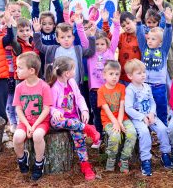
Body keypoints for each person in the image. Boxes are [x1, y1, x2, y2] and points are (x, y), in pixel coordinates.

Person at [47, 56, 100, 180]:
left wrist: (85, 110)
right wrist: (54, 112)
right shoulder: (54, 87)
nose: (75, 71)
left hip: (74, 119)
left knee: (78, 137)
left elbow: (80, 97)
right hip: (59, 120)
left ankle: (85, 164)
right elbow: (49, 105)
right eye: (74, 69)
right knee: (70, 123)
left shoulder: (71, 82)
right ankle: (88, 128)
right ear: (67, 73)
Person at [77, 10, 121, 148]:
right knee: (96, 114)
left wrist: (116, 23)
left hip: (109, 90)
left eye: (102, 44)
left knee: (109, 113)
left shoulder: (110, 51)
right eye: (96, 44)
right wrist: (79, 25)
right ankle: (99, 137)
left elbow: (116, 38)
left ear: (107, 44)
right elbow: (84, 39)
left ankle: (110, 135)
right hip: (95, 90)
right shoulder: (90, 53)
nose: (99, 46)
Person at [124, 59, 172, 176]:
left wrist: (151, 113)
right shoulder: (130, 90)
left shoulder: (147, 87)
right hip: (138, 118)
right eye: (139, 73)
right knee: (145, 133)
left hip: (150, 116)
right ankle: (145, 160)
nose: (143, 75)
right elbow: (128, 108)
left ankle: (165, 154)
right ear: (130, 76)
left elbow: (152, 102)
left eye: (144, 72)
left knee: (163, 129)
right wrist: (142, 117)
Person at [12, 52, 51, 181]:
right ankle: (22, 158)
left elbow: (46, 109)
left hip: (41, 122)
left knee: (37, 135)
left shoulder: (44, 87)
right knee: (17, 137)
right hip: (25, 122)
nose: (16, 70)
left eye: (20, 67)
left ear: (31, 70)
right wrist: (28, 125)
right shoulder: (19, 88)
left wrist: (34, 126)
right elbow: (18, 109)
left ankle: (39, 163)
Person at [131, 0, 173, 80]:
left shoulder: (166, 5)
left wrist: (161, 8)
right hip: (146, 52)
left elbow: (171, 27)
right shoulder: (140, 6)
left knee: (166, 86)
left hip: (164, 51)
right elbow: (134, 28)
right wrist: (133, 12)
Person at [136, 6, 173, 125]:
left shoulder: (163, 51)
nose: (149, 41)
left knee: (161, 110)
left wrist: (168, 22)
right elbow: (140, 35)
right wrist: (137, 19)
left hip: (159, 87)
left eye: (153, 39)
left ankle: (164, 130)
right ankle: (147, 131)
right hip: (145, 87)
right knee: (145, 110)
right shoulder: (144, 48)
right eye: (149, 39)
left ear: (160, 42)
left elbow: (168, 37)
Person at [97, 60, 137, 173]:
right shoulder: (101, 91)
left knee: (132, 133)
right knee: (115, 136)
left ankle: (124, 158)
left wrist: (119, 122)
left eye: (117, 74)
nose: (114, 77)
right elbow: (106, 109)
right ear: (104, 75)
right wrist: (115, 123)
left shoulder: (122, 88)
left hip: (123, 118)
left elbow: (122, 106)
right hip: (108, 121)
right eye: (111, 74)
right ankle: (111, 158)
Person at [32, 17, 95, 85]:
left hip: (75, 86)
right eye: (62, 37)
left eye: (69, 36)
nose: (66, 39)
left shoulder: (78, 49)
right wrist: (37, 32)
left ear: (73, 38)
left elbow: (91, 52)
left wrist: (92, 37)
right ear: (57, 39)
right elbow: (39, 45)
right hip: (57, 85)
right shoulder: (52, 49)